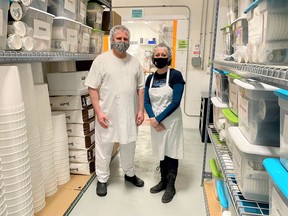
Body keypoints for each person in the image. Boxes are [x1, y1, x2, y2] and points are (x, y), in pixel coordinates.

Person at [85, 25, 145, 197]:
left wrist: (141, 110)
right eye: (119, 39)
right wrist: (98, 112)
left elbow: (141, 88)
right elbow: (92, 88)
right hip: (107, 114)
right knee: (104, 147)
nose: (122, 42)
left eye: (125, 39)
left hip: (129, 113)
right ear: (112, 40)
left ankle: (129, 174)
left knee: (129, 144)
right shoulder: (101, 61)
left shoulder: (134, 62)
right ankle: (102, 179)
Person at [144, 43, 185, 203]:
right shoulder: (150, 78)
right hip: (156, 121)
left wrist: (158, 119)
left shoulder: (175, 75)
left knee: (172, 151)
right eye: (157, 55)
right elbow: (147, 101)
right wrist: (153, 119)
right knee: (161, 151)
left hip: (172, 121)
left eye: (163, 55)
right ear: (153, 58)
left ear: (168, 57)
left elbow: (176, 102)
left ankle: (171, 185)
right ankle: (162, 181)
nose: (159, 58)